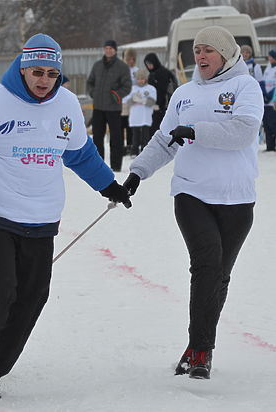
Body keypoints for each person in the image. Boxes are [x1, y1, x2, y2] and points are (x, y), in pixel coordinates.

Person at [0, 33, 131, 399]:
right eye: (37, 72)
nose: (44, 80)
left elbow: (80, 154)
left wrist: (110, 186)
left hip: (41, 220)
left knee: (31, 297)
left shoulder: (67, 106)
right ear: (23, 68)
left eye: (51, 74)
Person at [122, 26, 263, 380]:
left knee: (219, 276)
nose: (199, 57)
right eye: (196, 50)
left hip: (236, 198)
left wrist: (197, 130)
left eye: (208, 51)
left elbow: (245, 131)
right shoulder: (184, 94)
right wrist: (138, 173)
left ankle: (194, 345)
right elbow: (165, 139)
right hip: (191, 193)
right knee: (207, 265)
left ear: (226, 54)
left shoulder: (245, 87)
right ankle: (202, 349)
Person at [86, 40, 131, 172]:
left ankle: (116, 166)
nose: (108, 50)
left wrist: (116, 95)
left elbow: (127, 86)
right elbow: (90, 82)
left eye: (111, 48)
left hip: (113, 108)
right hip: (98, 107)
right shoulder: (97, 65)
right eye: (106, 48)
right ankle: (98, 166)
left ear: (115, 50)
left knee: (116, 138)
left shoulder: (122, 67)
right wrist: (93, 93)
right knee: (97, 137)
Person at [121, 68, 156, 156]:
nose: (140, 81)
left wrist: (142, 101)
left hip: (145, 117)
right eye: (138, 79)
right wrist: (133, 99)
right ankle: (134, 151)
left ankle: (145, 152)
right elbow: (126, 101)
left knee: (145, 136)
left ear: (146, 79)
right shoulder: (132, 89)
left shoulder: (150, 89)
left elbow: (152, 102)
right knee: (135, 136)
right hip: (135, 117)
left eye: (142, 79)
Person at [144, 52, 178, 136]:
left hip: (161, 107)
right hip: (156, 107)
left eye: (150, 63)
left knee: (158, 132)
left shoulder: (161, 73)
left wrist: (157, 105)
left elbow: (162, 90)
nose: (149, 66)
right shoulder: (153, 73)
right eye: (147, 64)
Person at [121, 48, 139, 155]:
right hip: (123, 100)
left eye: (133, 59)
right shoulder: (122, 70)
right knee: (121, 123)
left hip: (133, 101)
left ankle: (130, 144)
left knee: (130, 124)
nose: (131, 61)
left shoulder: (136, 70)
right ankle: (121, 145)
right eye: (129, 59)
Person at [260, 49, 276, 152]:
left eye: (271, 57)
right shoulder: (268, 68)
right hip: (266, 102)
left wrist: (270, 96)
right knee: (266, 125)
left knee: (273, 123)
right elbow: (263, 82)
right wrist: (264, 95)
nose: (269, 58)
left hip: (273, 102)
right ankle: (269, 146)